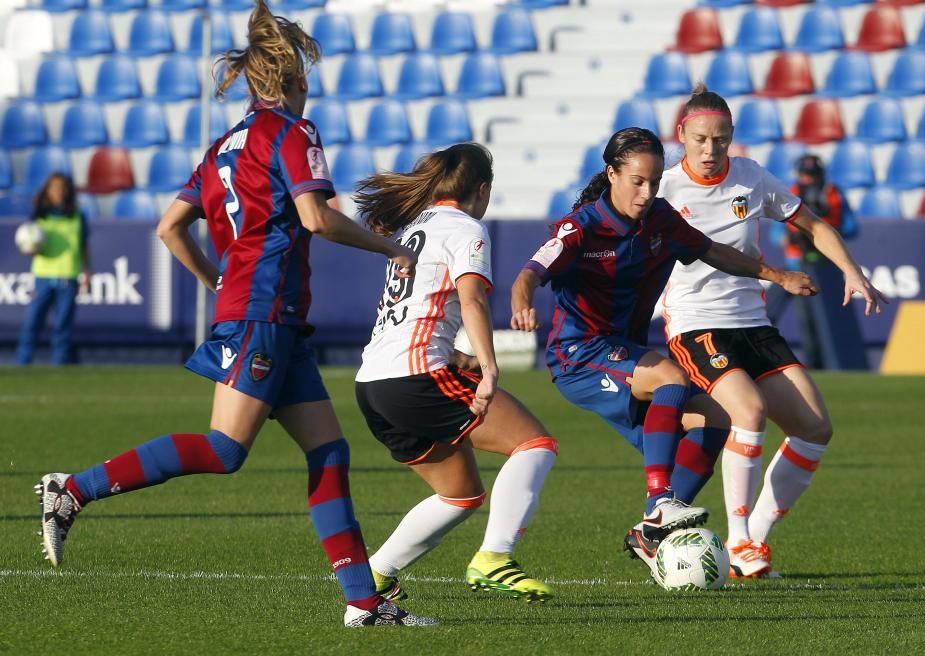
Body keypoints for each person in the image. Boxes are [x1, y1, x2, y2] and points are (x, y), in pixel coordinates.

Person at [35, 1, 435, 628]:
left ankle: (363, 603)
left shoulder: (223, 145)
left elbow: (170, 228)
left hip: (266, 314)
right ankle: (74, 489)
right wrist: (390, 247)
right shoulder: (293, 134)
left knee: (328, 452)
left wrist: (214, 278)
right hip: (264, 312)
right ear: (295, 82)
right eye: (306, 80)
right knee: (225, 450)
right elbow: (315, 217)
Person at [508, 127, 817, 582]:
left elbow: (712, 251)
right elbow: (529, 274)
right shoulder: (579, 228)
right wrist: (521, 304)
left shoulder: (661, 219)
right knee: (672, 377)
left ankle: (649, 532)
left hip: (626, 353)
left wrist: (776, 274)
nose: (647, 191)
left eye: (654, 182)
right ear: (612, 174)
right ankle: (660, 504)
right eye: (637, 181)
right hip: (579, 354)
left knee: (718, 419)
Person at [658, 85, 886, 578]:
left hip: (753, 323)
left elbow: (814, 225)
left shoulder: (751, 177)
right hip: (696, 323)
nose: (709, 149)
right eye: (699, 139)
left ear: (732, 137)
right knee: (751, 411)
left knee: (815, 428)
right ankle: (737, 541)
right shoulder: (663, 188)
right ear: (682, 135)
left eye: (720, 139)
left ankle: (754, 542)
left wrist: (852, 271)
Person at [353, 143, 557, 603]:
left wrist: (458, 358)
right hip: (415, 376)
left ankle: (376, 575)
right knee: (535, 445)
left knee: (461, 493)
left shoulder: (413, 228)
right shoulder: (466, 228)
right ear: (481, 190)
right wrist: (487, 366)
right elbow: (472, 300)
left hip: (372, 384)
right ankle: (495, 557)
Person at [768, 154, 859, 368]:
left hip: (825, 266)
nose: (808, 180)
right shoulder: (790, 194)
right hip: (794, 266)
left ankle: (819, 364)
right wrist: (791, 237)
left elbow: (851, 227)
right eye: (805, 175)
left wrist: (824, 232)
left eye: (812, 175)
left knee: (821, 320)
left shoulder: (833, 194)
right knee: (780, 314)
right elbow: (775, 234)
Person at [15, 173, 91, 365]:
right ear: (47, 191)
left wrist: (87, 272)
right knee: (32, 323)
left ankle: (60, 364)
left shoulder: (77, 216)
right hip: (43, 276)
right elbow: (30, 242)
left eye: (62, 187)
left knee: (62, 325)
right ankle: (22, 362)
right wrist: (30, 250)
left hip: (68, 276)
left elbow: (83, 246)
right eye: (55, 187)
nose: (59, 191)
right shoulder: (39, 215)